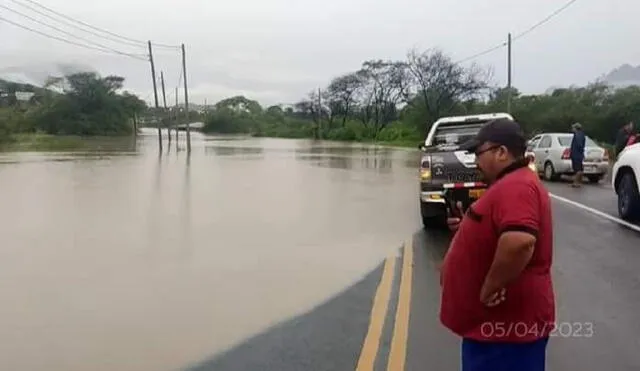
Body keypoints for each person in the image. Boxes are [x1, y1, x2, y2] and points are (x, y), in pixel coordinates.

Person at [440, 118, 555, 371]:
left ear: (501, 152)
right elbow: (506, 232)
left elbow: (520, 242)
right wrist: (469, 230)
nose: (476, 162)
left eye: (478, 153)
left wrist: (491, 286)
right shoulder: (511, 184)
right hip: (495, 332)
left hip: (504, 333)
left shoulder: (517, 185)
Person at [569, 123, 586, 188]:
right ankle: (579, 182)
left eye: (573, 128)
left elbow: (579, 145)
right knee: (580, 168)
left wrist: (579, 151)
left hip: (576, 154)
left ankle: (576, 182)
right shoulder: (581, 134)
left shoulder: (578, 135)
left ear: (576, 128)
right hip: (579, 154)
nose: (572, 129)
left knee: (577, 169)